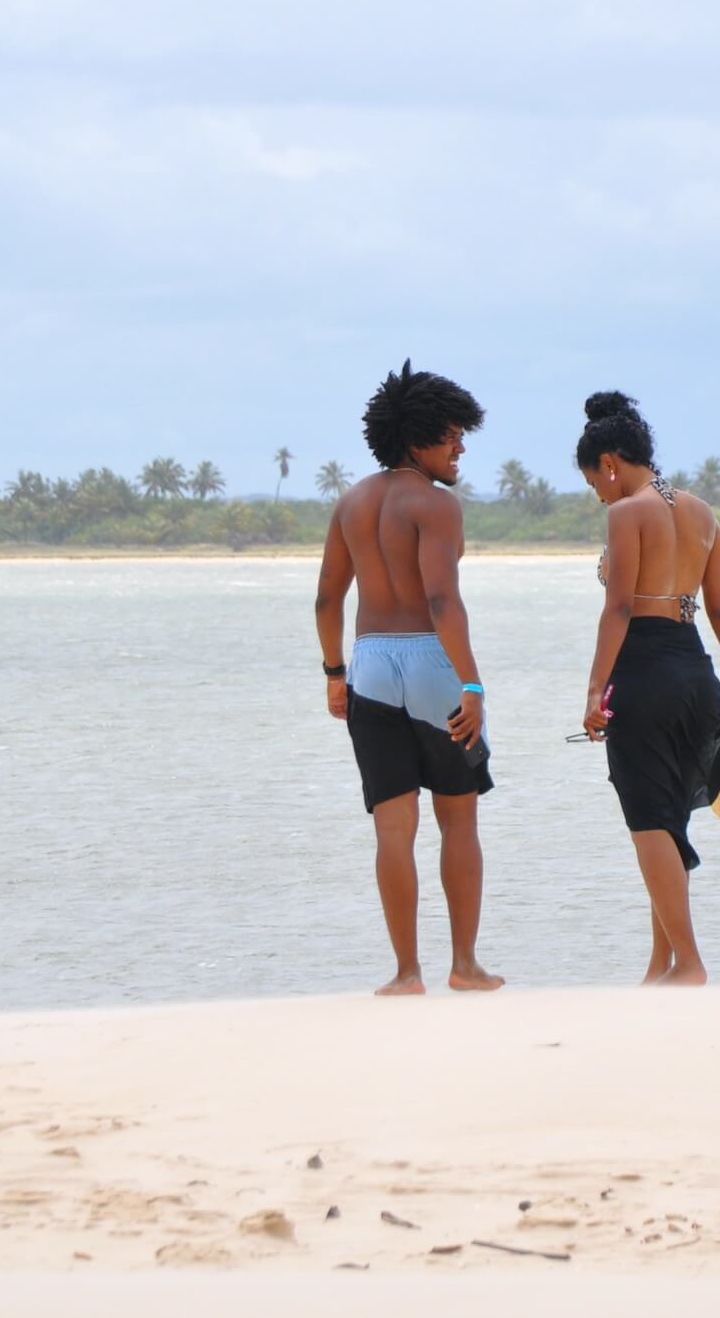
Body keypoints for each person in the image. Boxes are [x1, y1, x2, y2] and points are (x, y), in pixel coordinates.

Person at [314, 360, 504, 996]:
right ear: (418, 438)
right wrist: (472, 687)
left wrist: (334, 673)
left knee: (393, 829)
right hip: (430, 660)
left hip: (368, 661)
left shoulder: (351, 502)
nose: (460, 448)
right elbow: (443, 601)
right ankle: (465, 965)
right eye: (451, 435)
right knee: (459, 821)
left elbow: (325, 601)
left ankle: (405, 973)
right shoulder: (435, 505)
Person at [574, 391, 720, 986]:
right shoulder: (704, 513)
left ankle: (689, 962)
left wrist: (592, 692)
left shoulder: (627, 512)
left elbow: (620, 608)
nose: (599, 496)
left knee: (646, 818)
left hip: (645, 672)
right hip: (696, 673)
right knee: (669, 819)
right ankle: (661, 962)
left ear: (610, 462)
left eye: (595, 483)